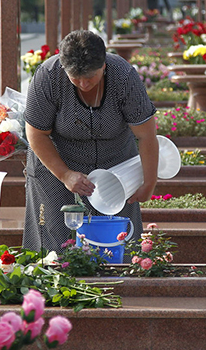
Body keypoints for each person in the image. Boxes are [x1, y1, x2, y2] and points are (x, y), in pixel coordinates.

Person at [23, 30, 158, 252]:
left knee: (116, 238)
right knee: (57, 241)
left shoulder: (123, 77)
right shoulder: (48, 76)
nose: (84, 84)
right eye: (75, 78)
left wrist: (149, 181)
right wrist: (65, 174)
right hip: (56, 161)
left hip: (115, 162)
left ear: (104, 66)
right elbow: (36, 134)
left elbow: (146, 134)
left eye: (91, 77)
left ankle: (117, 286)